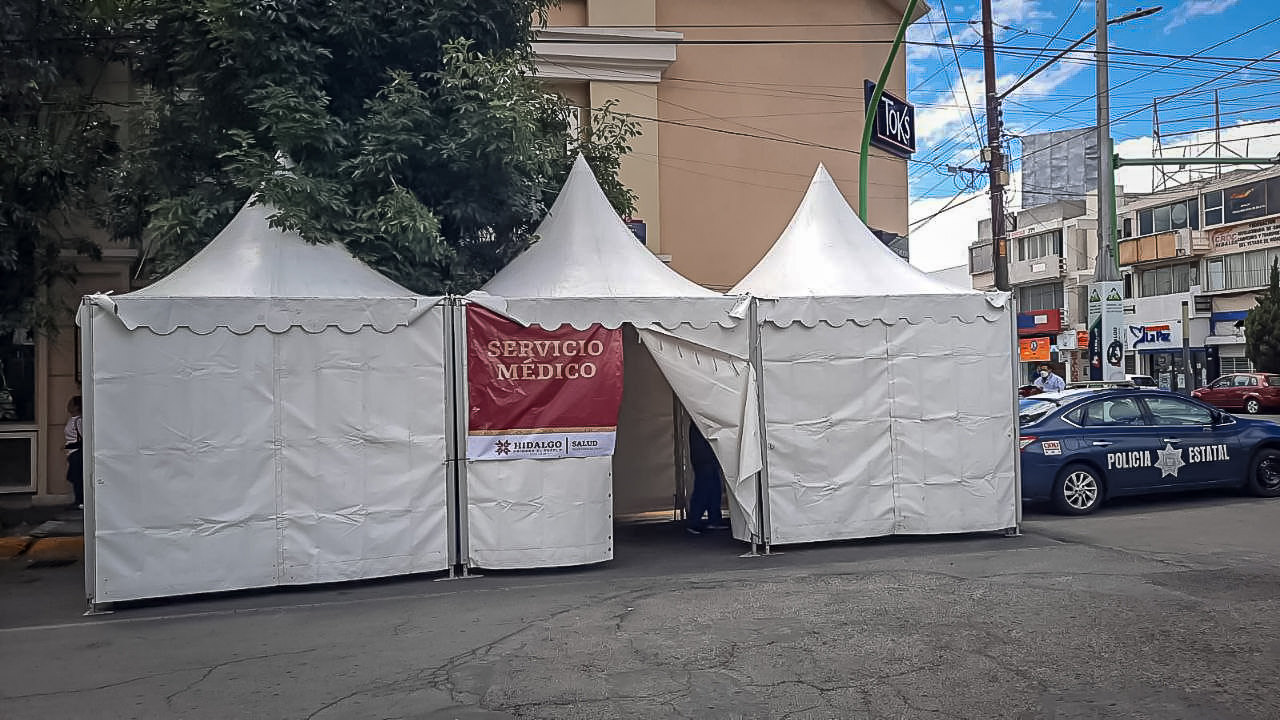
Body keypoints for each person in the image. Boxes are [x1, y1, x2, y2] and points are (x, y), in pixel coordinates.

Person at [686, 421, 727, 535]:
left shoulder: (699, 421)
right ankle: (694, 521)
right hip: (705, 459)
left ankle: (713, 519)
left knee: (713, 489)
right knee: (703, 490)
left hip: (705, 458)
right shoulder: (700, 421)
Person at [65, 395, 83, 509]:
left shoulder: (78, 421)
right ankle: (78, 500)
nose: (68, 406)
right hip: (71, 452)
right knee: (73, 477)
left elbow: (83, 437)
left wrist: (71, 445)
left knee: (77, 478)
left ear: (76, 407)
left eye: (71, 404)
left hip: (77, 452)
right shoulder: (71, 420)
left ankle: (80, 501)